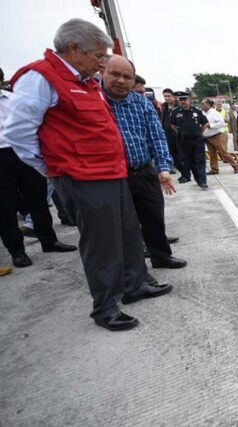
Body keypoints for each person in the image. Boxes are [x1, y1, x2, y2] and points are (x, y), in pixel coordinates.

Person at [3, 18, 172, 330]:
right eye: (98, 56)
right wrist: (53, 168)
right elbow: (17, 133)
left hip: (111, 171)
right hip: (82, 176)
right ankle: (105, 306)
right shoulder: (41, 78)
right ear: (74, 48)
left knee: (128, 231)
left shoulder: (87, 82)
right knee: (101, 242)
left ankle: (136, 284)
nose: (101, 63)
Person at [101, 55, 187, 270]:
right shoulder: (95, 100)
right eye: (115, 74)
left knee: (154, 217)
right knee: (124, 226)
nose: (121, 81)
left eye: (127, 77)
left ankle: (161, 257)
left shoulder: (141, 103)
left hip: (144, 170)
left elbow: (156, 136)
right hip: (113, 175)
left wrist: (163, 168)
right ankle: (134, 270)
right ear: (102, 72)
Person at [0, 67, 77, 268]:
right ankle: (17, 251)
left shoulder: (13, 99)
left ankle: (49, 240)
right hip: (1, 158)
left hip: (23, 152)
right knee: (5, 206)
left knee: (38, 197)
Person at [170, 91, 209, 189]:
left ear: (189, 100)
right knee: (190, 162)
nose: (183, 102)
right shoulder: (175, 112)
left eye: (185, 99)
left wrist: (200, 132)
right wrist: (179, 132)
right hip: (184, 141)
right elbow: (172, 125)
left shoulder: (196, 111)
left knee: (200, 161)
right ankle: (198, 179)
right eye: (181, 100)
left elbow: (205, 123)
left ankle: (203, 181)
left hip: (197, 140)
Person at [201, 99, 238, 175]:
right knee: (212, 154)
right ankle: (214, 169)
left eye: (203, 104)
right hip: (207, 137)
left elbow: (221, 123)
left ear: (208, 104)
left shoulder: (214, 113)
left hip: (216, 136)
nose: (201, 105)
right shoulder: (202, 113)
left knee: (223, 152)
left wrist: (210, 125)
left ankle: (235, 165)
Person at [161, 88, 187, 176]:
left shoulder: (179, 106)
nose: (167, 98)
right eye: (165, 96)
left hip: (177, 133)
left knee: (181, 152)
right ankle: (172, 166)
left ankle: (185, 169)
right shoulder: (163, 106)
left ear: (174, 97)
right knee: (170, 152)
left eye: (169, 96)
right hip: (167, 133)